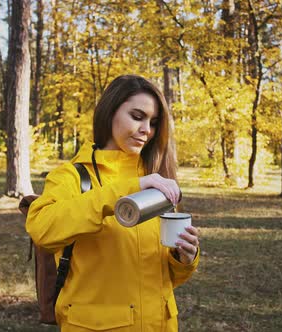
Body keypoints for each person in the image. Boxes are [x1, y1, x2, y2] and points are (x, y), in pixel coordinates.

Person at [25, 74, 200, 331]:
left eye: (153, 122)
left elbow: (165, 277)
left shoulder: (155, 181)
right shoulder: (72, 176)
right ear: (110, 112)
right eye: (137, 116)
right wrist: (125, 191)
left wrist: (184, 258)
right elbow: (42, 228)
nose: (146, 130)